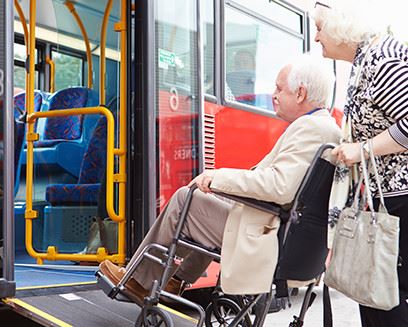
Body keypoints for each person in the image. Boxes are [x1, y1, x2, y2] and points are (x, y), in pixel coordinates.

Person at [99, 55, 341, 304]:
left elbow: (279, 187)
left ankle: (139, 281)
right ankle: (174, 280)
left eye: (279, 88)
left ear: (300, 93)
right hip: (284, 234)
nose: (273, 95)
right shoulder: (324, 127)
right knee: (206, 202)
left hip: (270, 238)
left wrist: (217, 177)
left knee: (187, 199)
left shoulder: (311, 128)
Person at [314, 1, 408, 326]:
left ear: (341, 26)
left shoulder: (383, 57)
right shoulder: (362, 61)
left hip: (401, 200)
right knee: (374, 297)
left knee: (389, 300)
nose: (315, 37)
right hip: (384, 200)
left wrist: (362, 149)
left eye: (319, 27)